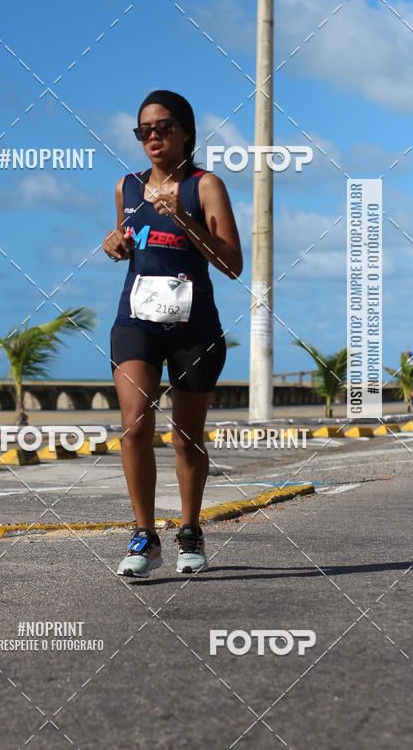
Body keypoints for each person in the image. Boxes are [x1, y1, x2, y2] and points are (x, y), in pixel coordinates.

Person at [102, 90, 242, 578]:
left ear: (185, 132)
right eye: (144, 130)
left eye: (163, 128)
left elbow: (232, 265)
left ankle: (190, 531)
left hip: (194, 329)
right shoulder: (127, 187)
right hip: (135, 321)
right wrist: (115, 241)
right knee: (135, 421)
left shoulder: (206, 187)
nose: (153, 137)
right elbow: (127, 241)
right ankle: (144, 535)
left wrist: (183, 219)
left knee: (186, 437)